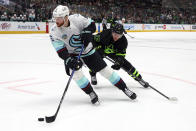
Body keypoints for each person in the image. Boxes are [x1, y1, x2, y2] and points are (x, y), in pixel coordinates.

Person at [49, 5, 137, 105]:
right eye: (55, 18)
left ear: (66, 17)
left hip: (87, 51)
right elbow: (60, 50)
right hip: (72, 54)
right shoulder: (54, 32)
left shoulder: (77, 19)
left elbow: (92, 24)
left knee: (106, 71)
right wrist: (69, 60)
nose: (56, 21)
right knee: (77, 75)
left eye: (59, 18)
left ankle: (124, 88)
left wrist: (87, 32)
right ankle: (91, 92)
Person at [89, 23, 149, 88]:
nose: (116, 37)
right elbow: (93, 39)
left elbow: (121, 54)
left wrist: (119, 62)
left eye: (119, 35)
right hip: (101, 50)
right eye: (115, 34)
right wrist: (98, 48)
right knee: (94, 62)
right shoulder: (105, 33)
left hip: (114, 53)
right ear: (112, 32)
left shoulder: (123, 41)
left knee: (126, 65)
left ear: (122, 35)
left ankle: (139, 78)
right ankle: (93, 75)